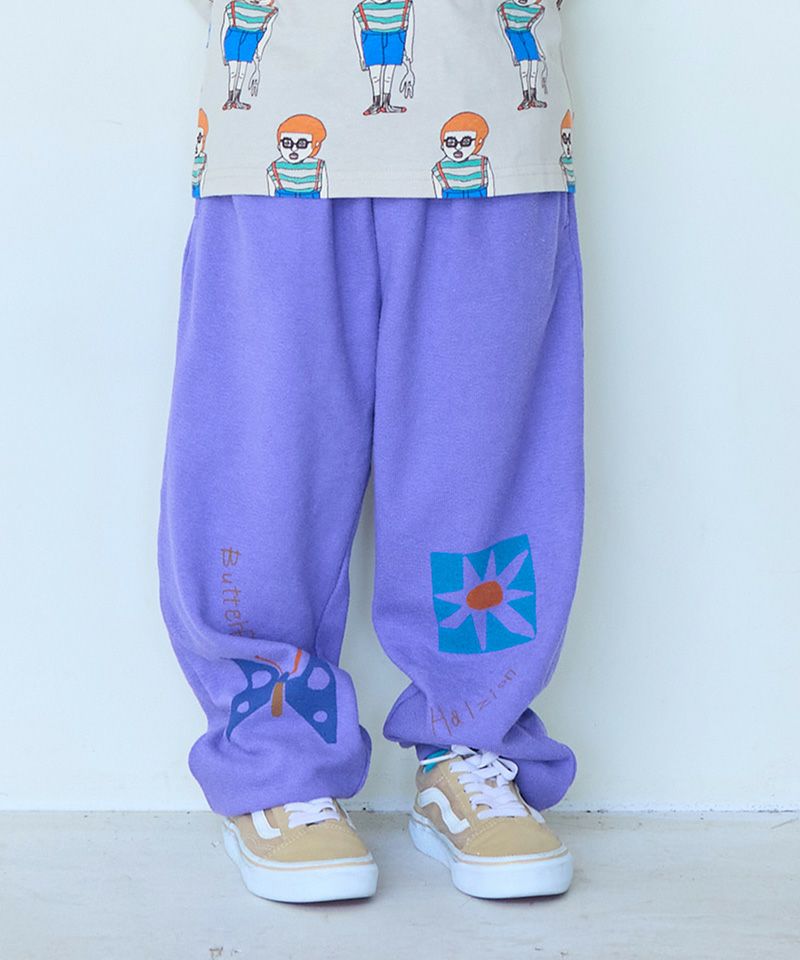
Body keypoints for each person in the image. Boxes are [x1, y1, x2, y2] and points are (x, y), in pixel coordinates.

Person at [164, 0, 582, 903]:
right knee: (264, 474)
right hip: (271, 120)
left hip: (492, 110)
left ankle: (471, 738)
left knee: (483, 471)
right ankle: (274, 757)